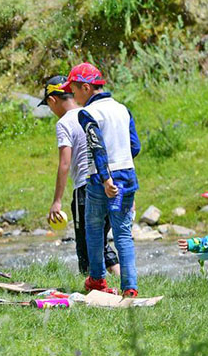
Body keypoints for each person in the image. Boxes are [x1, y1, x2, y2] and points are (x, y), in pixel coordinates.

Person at [62, 62, 141, 297]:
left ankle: (97, 280)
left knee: (94, 228)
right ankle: (130, 287)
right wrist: (121, 159)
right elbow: (134, 146)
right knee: (123, 232)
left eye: (74, 90)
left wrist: (106, 178)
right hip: (127, 173)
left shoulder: (89, 113)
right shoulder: (122, 109)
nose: (72, 95)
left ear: (86, 87)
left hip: (101, 177)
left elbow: (96, 146)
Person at [40, 75, 120, 276]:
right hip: (107, 182)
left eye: (49, 106)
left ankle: (90, 285)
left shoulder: (64, 123)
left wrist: (57, 201)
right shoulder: (91, 113)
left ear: (52, 100)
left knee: (85, 244)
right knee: (101, 239)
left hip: (85, 189)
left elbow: (65, 163)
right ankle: (122, 279)